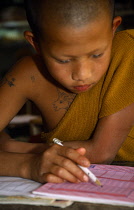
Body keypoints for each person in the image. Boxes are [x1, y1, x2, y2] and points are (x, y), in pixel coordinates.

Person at [0, 0, 134, 184]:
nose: (82, 75)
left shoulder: (129, 53)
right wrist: (27, 165)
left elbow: (101, 153)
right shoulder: (29, 75)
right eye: (63, 60)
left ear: (113, 29)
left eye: (96, 55)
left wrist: (14, 148)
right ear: (35, 43)